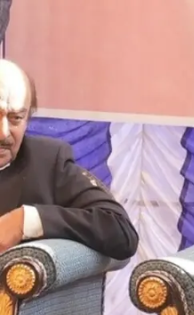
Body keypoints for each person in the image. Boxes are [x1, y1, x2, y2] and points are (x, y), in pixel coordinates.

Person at [0, 59, 138, 260]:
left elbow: (120, 231)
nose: (4, 133)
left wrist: (26, 221)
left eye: (16, 118)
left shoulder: (45, 161)